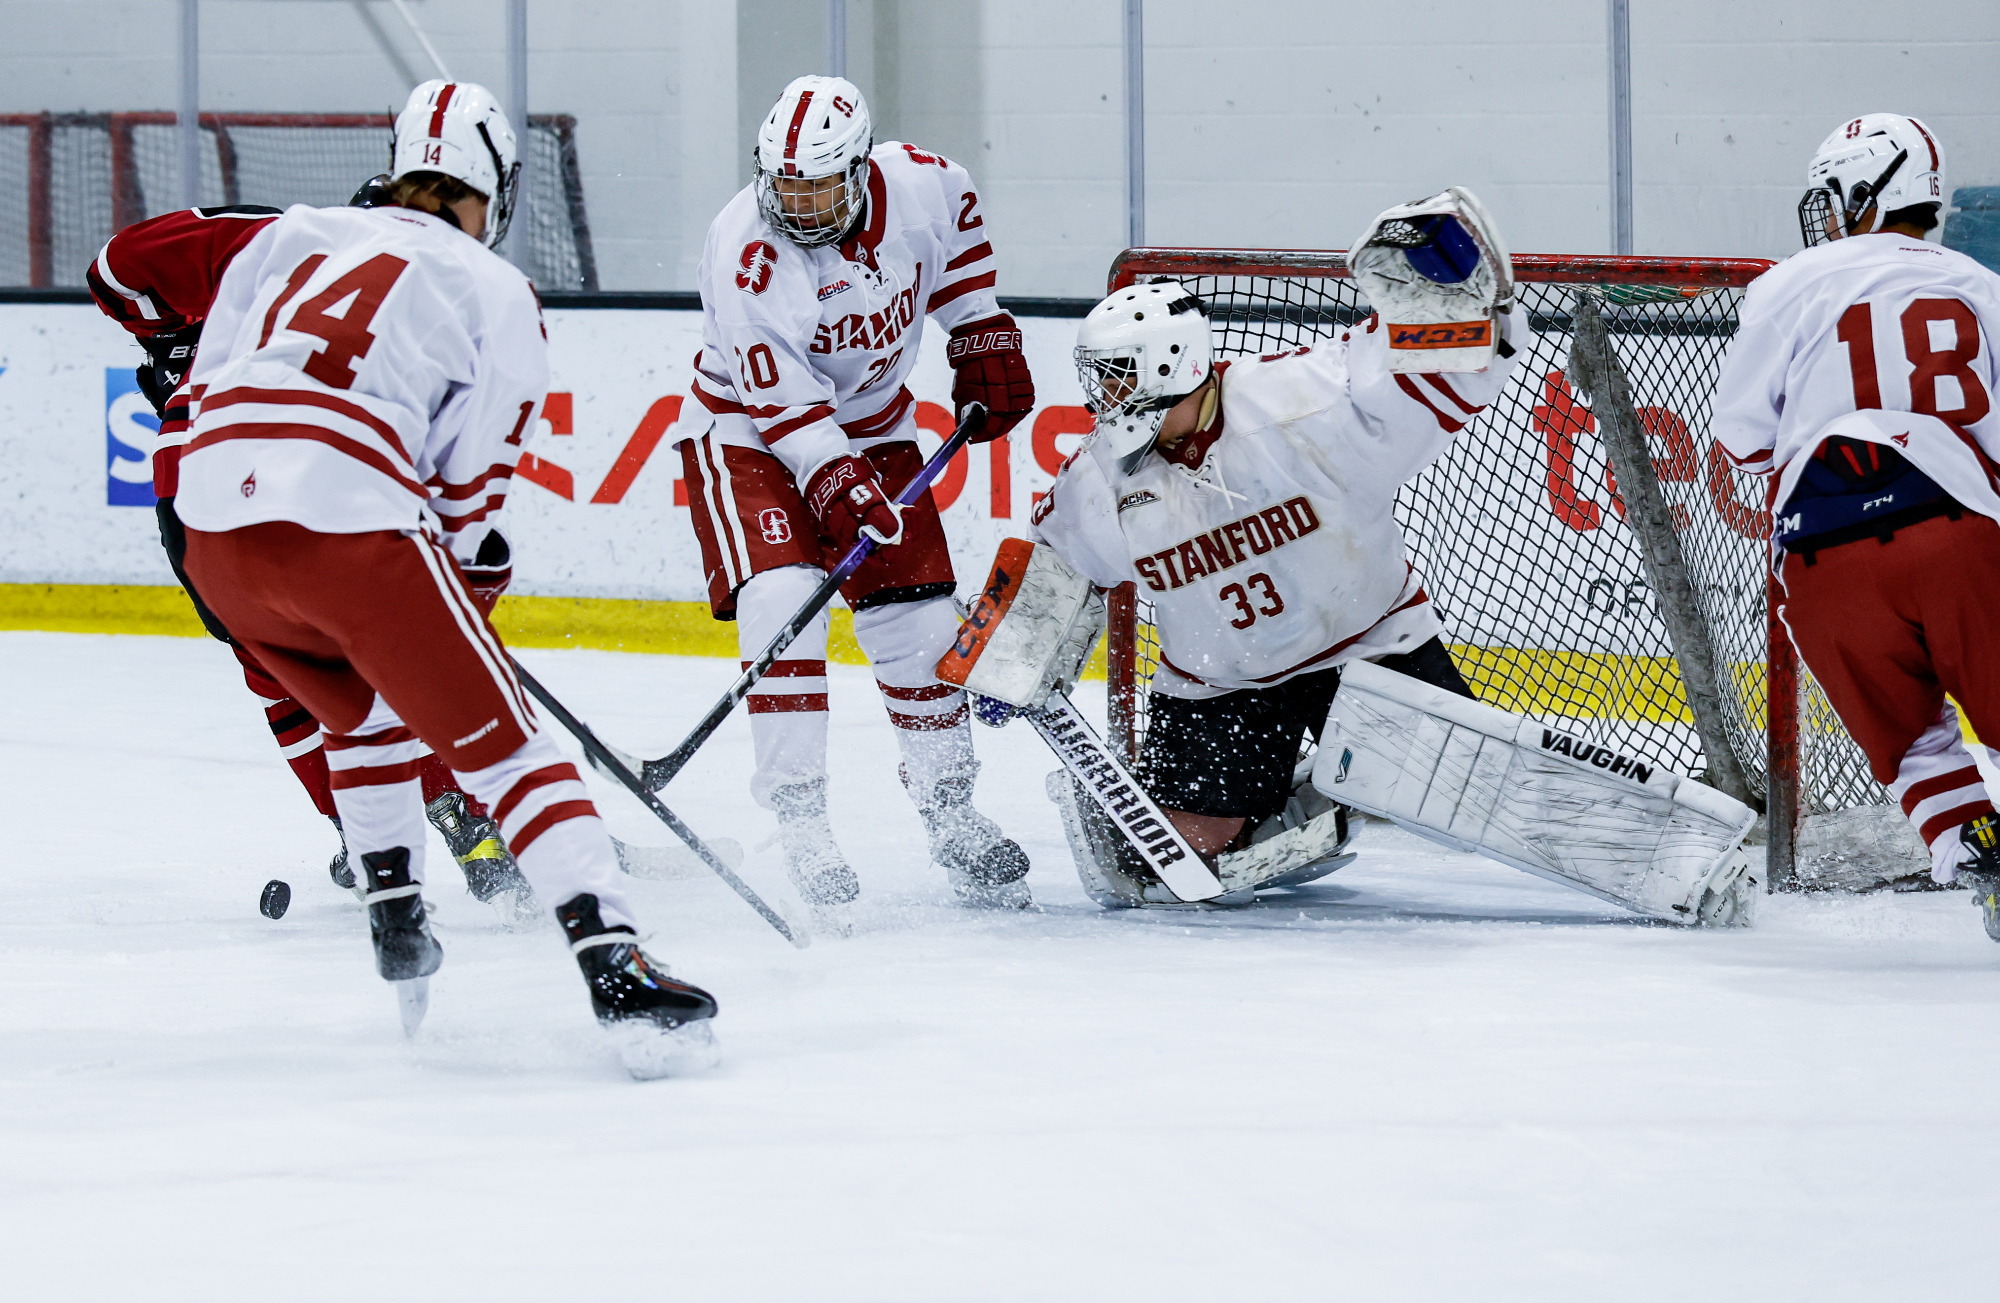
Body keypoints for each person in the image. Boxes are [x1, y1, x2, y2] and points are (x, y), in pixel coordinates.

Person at [171, 79, 717, 1074]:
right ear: (490, 193)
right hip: (345, 524)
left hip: (210, 533)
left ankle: (397, 918)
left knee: (361, 718)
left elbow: (203, 383)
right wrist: (467, 579)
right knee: (509, 747)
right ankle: (618, 966)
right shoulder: (492, 286)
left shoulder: (293, 232)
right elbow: (467, 501)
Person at [1028, 191, 1528, 894]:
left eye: (1118, 379)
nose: (1104, 399)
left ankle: (1353, 781)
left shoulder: (1308, 402)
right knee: (1164, 865)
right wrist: (1013, 656)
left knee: (1468, 809)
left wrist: (1475, 309)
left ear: (1170, 365)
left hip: (1368, 647)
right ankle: (1310, 796)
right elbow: (1054, 562)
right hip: (1218, 685)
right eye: (1099, 382)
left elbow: (1451, 363)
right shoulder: (1102, 477)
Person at [86, 199, 533, 919]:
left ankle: (363, 839)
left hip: (195, 492)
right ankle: (473, 824)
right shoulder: (431, 300)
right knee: (394, 666)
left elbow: (116, 269)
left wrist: (176, 338)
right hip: (313, 496)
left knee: (282, 673)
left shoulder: (283, 247)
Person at [673, 74, 1038, 910]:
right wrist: (837, 479)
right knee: (784, 602)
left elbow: (959, 261)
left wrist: (980, 331)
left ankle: (951, 813)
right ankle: (800, 822)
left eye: (816, 187)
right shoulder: (745, 249)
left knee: (919, 619)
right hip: (749, 436)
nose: (795, 205)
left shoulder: (928, 183)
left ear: (860, 170)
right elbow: (782, 406)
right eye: (783, 185)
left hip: (876, 424)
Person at [1715, 112, 2000, 940]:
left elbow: (1742, 443)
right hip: (1960, 537)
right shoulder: (1982, 288)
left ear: (1868, 193)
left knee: (1912, 740)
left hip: (1821, 557)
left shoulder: (1787, 283)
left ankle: (1974, 848)